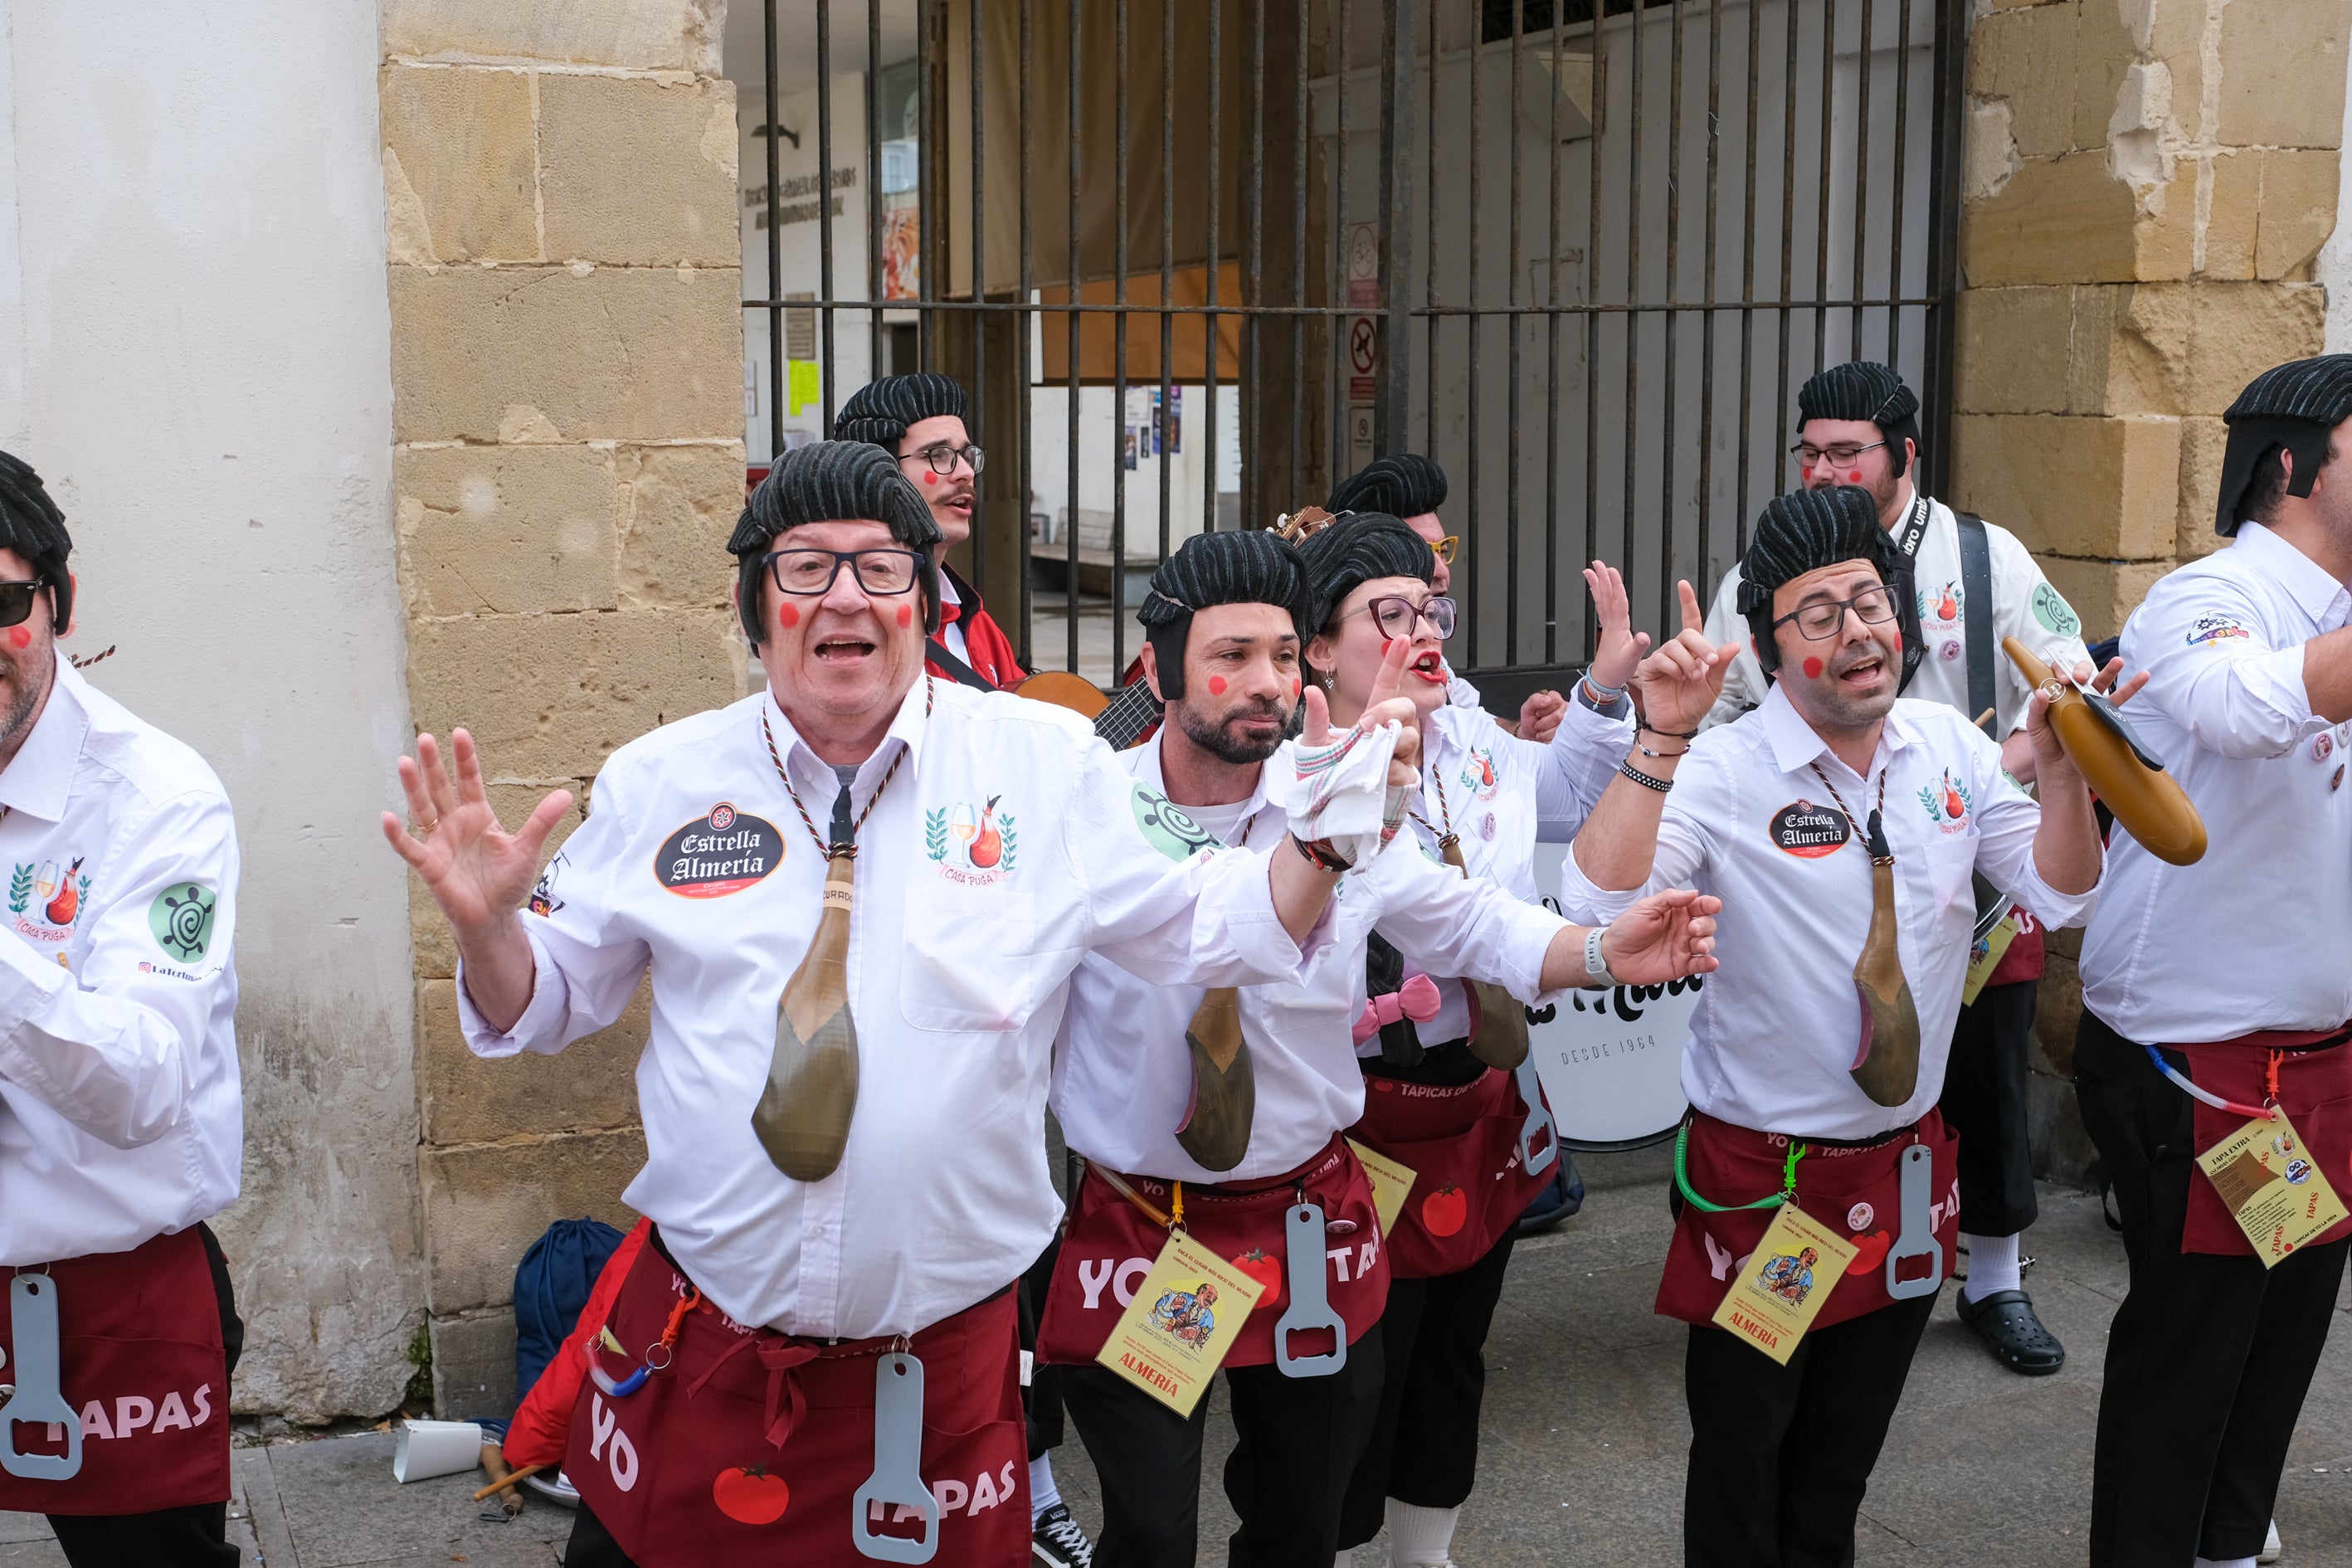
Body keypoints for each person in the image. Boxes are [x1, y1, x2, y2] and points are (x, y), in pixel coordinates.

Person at [385, 442, 1410, 1567]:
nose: (843, 596)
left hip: (937, 1379)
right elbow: (542, 1004)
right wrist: (488, 930)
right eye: (804, 566)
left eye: (880, 568)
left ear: (923, 602)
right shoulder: (659, 781)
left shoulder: (1042, 764)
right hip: (706, 1356)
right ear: (753, 606)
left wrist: (1320, 839)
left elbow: (1210, 927)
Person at [1040, 528, 1719, 1568]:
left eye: (1276, 654)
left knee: (1303, 1522)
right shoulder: (1083, 812)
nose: (1261, 683)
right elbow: (1096, 962)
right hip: (1143, 1224)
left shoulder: (1339, 800)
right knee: (1146, 1528)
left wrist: (1594, 950)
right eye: (1230, 657)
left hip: (1306, 1217)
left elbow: (1464, 920)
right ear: (1158, 670)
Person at [1561, 485, 2116, 1568]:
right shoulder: (1720, 773)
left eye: (1866, 600)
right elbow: (1590, 908)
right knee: (1741, 1460)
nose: (1855, 630)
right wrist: (1660, 737)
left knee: (1835, 1474)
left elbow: (2061, 899)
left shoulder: (1948, 749)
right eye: (1815, 615)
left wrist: (2058, 772)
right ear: (1769, 649)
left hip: (1905, 1177)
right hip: (1760, 1185)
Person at [1697, 361, 2094, 1374]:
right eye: (1810, 451)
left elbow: (2063, 669)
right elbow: (1722, 707)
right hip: (1819, 852)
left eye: (1847, 452)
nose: (1824, 469)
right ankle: (1798, 1262)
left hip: (1968, 844)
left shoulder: (1981, 551)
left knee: (1989, 1074)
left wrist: (1994, 768)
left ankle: (1995, 1274)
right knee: (1831, 1051)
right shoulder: (1770, 574)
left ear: (1904, 455)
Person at [1302, 516, 1641, 1567]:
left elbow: (1572, 796)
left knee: (1453, 1350)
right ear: (1319, 647)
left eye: (1432, 611)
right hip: (1349, 1114)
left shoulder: (1482, 743)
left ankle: (1426, 1551)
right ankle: (1340, 1547)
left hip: (1476, 1100)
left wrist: (1607, 692)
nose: (1422, 631)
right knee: (1355, 1368)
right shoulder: (1299, 768)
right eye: (1387, 616)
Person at [2072, 353, 2352, 1568]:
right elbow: (2244, 708)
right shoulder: (2206, 595)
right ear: (2288, 466)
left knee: (2282, 1334)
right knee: (2189, 1351)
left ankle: (2226, 1550)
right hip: (2201, 1055)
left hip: (2317, 1045)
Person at [0, 451, 245, 1567]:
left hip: (105, 1298)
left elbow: (144, 1078)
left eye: (2, 603)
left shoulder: (160, 797)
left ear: (60, 603)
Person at [1328, 454, 1566, 744]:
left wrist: (1522, 732)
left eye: (1441, 550)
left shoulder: (1437, 669)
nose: (1441, 571)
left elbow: (1469, 725)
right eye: (1419, 552)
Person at [837, 372, 1025, 690]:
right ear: (877, 473)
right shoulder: (852, 623)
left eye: (966, 456)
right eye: (937, 455)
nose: (965, 472)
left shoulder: (976, 621)